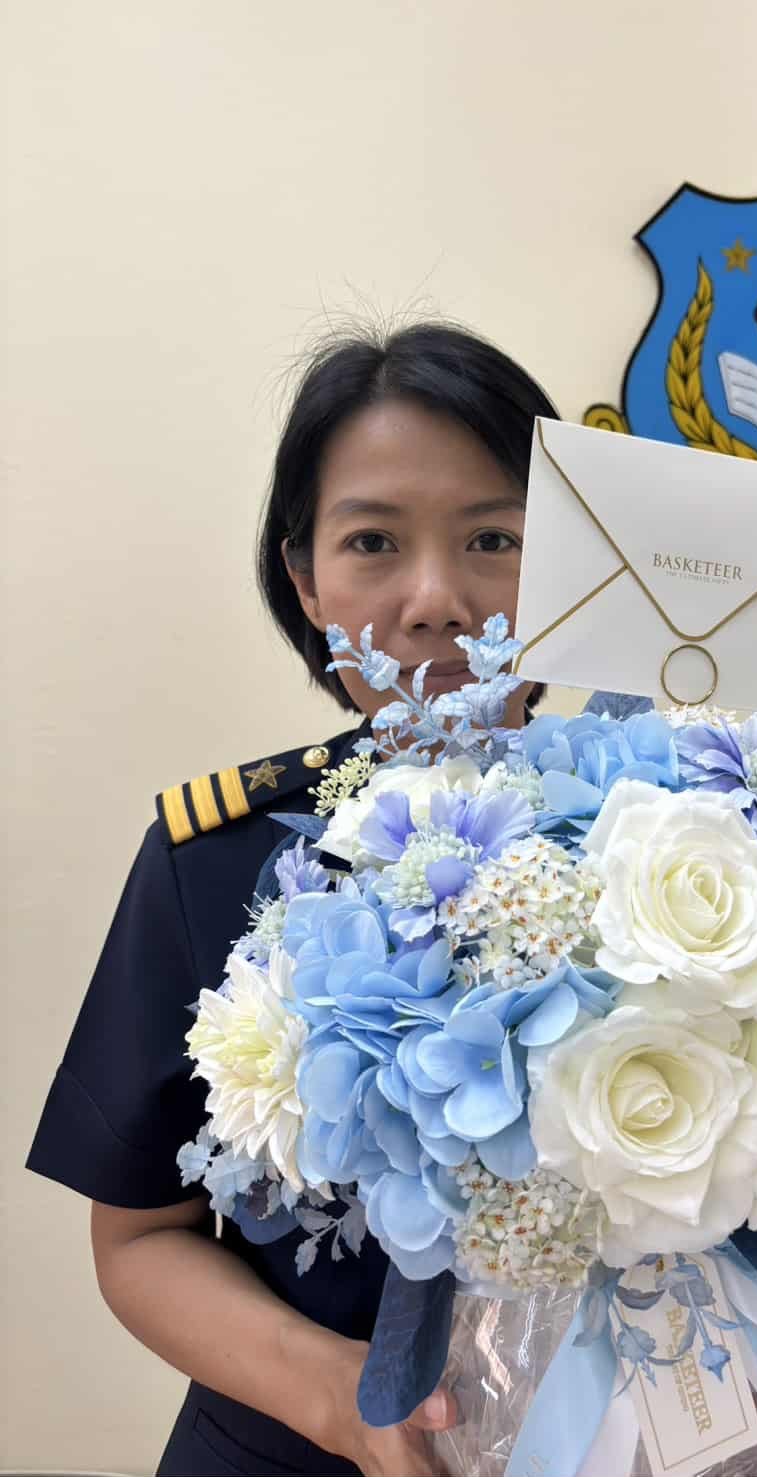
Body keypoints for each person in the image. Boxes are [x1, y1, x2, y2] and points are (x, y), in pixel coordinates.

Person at [25, 322, 555, 1477]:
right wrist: (337, 1398)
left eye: (493, 539)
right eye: (372, 541)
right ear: (307, 580)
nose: (436, 599)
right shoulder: (210, 860)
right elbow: (138, 1240)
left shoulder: (690, 848)